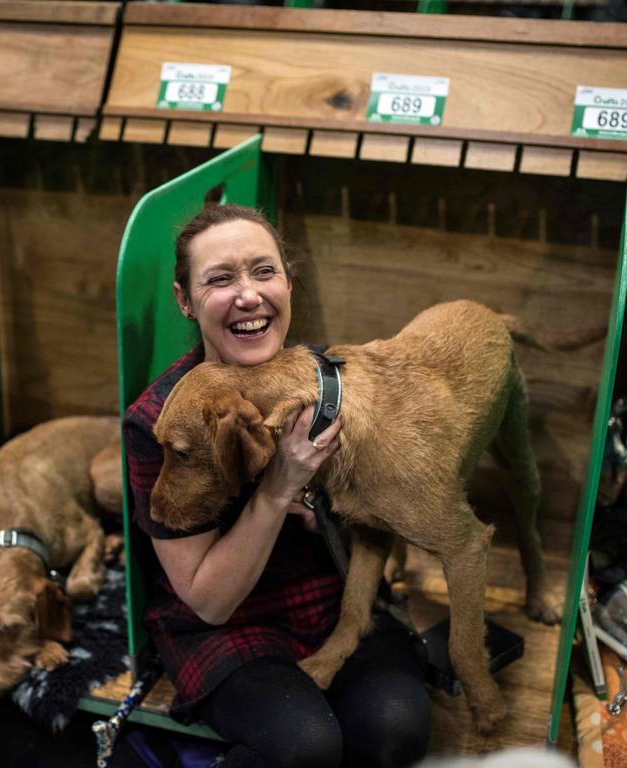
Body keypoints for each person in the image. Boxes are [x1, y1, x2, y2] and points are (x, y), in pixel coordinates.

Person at [123, 205, 431, 768]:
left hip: (335, 600)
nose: (248, 295)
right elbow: (209, 601)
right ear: (185, 301)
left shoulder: (330, 386)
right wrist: (278, 488)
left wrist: (336, 516)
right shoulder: (158, 421)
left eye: (264, 272)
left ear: (289, 283)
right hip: (228, 626)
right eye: (220, 279)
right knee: (306, 748)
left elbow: (392, 529)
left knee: (396, 729)